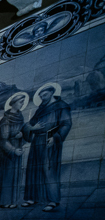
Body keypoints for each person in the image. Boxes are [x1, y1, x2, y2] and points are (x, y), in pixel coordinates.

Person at [21, 83, 72, 212]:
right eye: (41, 95)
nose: (43, 97)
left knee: (49, 169)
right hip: (37, 142)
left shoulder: (61, 106)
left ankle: (53, 200)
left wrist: (55, 137)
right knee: (33, 170)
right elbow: (27, 125)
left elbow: (66, 124)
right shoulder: (40, 109)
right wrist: (32, 128)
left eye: (45, 94)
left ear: (52, 92)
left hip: (50, 141)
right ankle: (32, 198)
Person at [0, 92, 28, 208]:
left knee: (15, 175)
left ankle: (12, 200)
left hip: (17, 149)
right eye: (20, 102)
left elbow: (23, 133)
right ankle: (3, 201)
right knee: (7, 176)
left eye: (23, 102)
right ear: (14, 103)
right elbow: (3, 140)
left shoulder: (20, 118)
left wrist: (22, 135)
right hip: (7, 153)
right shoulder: (5, 121)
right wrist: (13, 150)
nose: (22, 104)